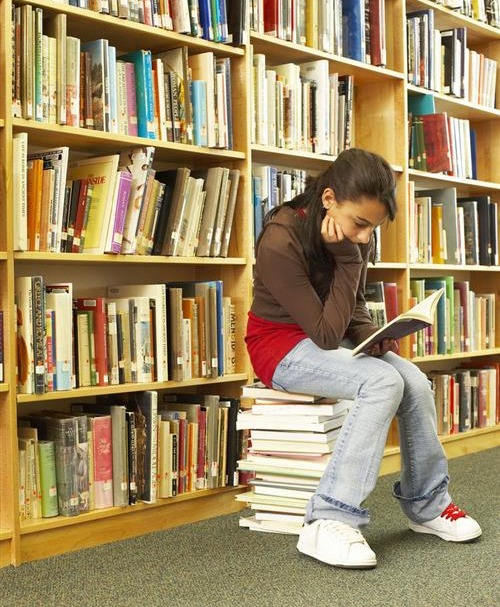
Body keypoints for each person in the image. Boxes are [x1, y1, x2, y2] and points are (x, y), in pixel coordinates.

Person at [245, 148, 482, 569]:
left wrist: (374, 337)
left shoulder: (353, 235)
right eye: (359, 223)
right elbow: (323, 333)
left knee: (411, 378)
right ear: (329, 199)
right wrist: (347, 259)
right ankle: (328, 519)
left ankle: (428, 505)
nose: (363, 236)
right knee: (382, 382)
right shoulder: (281, 239)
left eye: (372, 227)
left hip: (325, 343)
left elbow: (349, 311)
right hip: (278, 348)